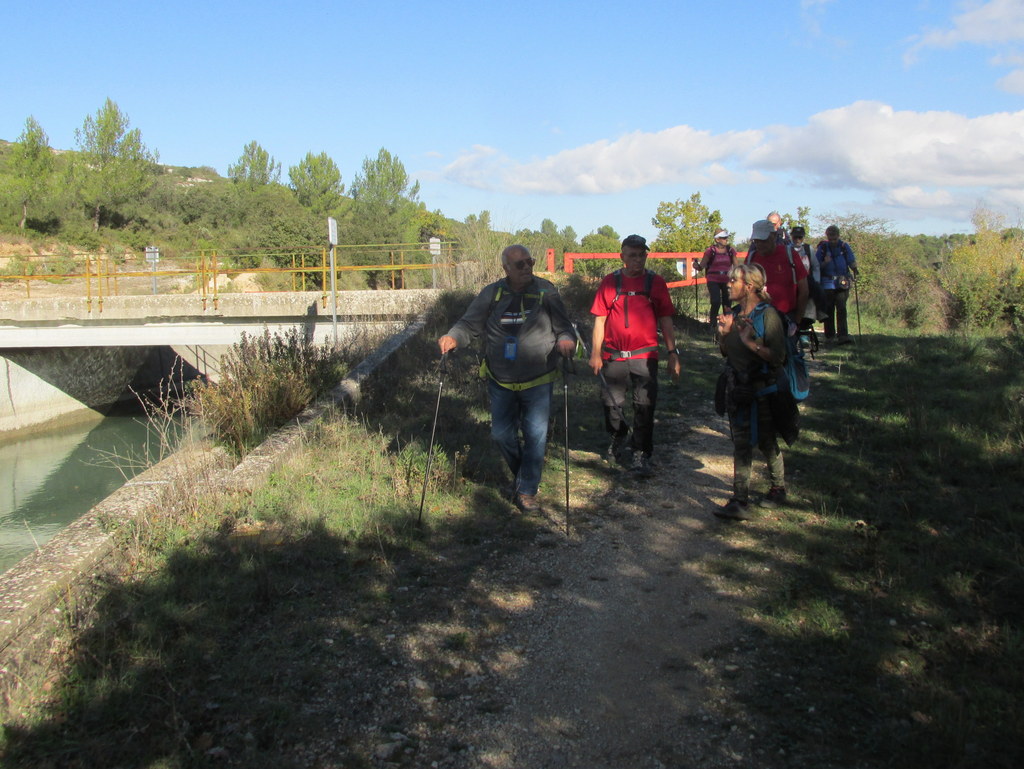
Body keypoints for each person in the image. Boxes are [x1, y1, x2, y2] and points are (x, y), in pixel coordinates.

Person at [438, 245, 576, 513]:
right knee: (501, 435)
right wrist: (453, 337)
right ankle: (525, 475)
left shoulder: (546, 290)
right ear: (506, 269)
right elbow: (469, 325)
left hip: (539, 378)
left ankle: (526, 491)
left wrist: (566, 340)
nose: (527, 268)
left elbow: (564, 327)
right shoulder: (492, 293)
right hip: (500, 379)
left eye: (530, 262)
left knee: (536, 435)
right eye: (520, 265)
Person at [589, 234, 682, 478]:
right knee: (611, 403)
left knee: (645, 405)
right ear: (622, 256)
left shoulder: (655, 283)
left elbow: (666, 319)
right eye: (632, 255)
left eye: (642, 255)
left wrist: (673, 353)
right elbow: (600, 320)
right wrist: (595, 353)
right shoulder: (610, 283)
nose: (638, 260)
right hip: (614, 355)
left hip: (645, 354)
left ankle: (642, 451)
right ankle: (618, 437)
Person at [714, 263, 788, 519]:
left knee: (767, 441)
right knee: (741, 444)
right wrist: (724, 335)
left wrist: (749, 342)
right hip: (738, 390)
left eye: (733, 280)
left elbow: (778, 357)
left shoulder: (768, 315)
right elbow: (727, 353)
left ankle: (778, 487)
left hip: (764, 390)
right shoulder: (733, 314)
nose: (728, 283)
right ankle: (739, 500)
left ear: (749, 286)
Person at [745, 219, 808, 325]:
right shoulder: (751, 259)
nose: (759, 244)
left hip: (786, 318)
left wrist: (796, 322)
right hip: (757, 318)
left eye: (763, 240)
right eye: (756, 241)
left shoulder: (790, 255)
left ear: (774, 236)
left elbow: (804, 290)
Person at [815, 225, 859, 344]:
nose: (833, 240)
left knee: (842, 308)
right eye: (830, 237)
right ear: (827, 236)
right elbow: (816, 264)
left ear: (838, 236)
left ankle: (843, 336)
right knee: (829, 309)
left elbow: (851, 259)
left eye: (834, 237)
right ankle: (829, 336)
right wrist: (825, 262)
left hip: (842, 282)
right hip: (827, 283)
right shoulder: (823, 248)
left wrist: (855, 269)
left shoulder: (844, 246)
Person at [698, 229, 738, 326]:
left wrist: (736, 276)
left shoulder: (730, 250)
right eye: (723, 238)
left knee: (727, 303)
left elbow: (736, 265)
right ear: (717, 239)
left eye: (726, 238)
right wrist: (697, 266)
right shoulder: (710, 251)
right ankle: (713, 325)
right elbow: (702, 265)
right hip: (713, 279)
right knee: (715, 301)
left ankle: (727, 325)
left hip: (727, 280)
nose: (726, 240)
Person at [789, 225, 825, 325]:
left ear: (803, 237)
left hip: (806, 278)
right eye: (795, 237)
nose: (797, 240)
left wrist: (817, 280)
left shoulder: (808, 249)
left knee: (819, 290)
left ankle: (820, 311)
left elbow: (815, 265)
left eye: (799, 237)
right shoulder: (787, 249)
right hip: (792, 278)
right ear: (791, 236)